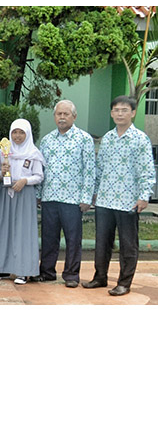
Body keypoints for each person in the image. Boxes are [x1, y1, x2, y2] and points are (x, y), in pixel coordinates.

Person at [83, 95, 155, 296]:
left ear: (133, 113)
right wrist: (95, 193)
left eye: (124, 110)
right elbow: (100, 168)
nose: (120, 113)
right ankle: (100, 277)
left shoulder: (140, 139)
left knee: (128, 244)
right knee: (102, 241)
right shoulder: (107, 138)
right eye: (116, 110)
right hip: (105, 199)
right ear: (111, 113)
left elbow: (147, 170)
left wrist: (144, 196)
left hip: (128, 201)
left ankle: (124, 282)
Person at [35, 100, 96, 287]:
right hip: (50, 197)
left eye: (66, 114)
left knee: (73, 239)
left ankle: (71, 275)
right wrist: (38, 194)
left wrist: (87, 198)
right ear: (54, 117)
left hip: (73, 200)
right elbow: (41, 169)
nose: (62, 117)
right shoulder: (47, 140)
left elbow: (90, 170)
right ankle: (47, 272)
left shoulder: (84, 139)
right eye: (58, 114)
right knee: (48, 238)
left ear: (74, 116)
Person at [0, 119, 44, 284]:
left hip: (24, 195)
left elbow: (39, 176)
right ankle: (1, 269)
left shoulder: (33, 153)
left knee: (22, 232)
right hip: (6, 194)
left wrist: (25, 181)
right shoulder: (3, 152)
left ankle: (22, 271)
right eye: (14, 132)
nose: (17, 136)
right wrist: (1, 172)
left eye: (21, 132)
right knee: (3, 229)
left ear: (28, 134)